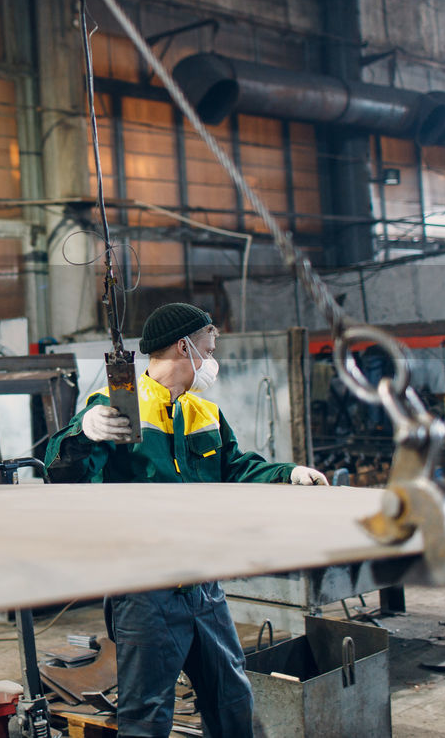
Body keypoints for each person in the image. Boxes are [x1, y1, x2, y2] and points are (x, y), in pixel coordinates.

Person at [43, 302, 328, 738]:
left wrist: (287, 473)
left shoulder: (204, 413)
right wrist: (83, 432)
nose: (213, 359)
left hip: (204, 587)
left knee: (232, 699)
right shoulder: (117, 408)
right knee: (148, 714)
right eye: (209, 347)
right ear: (184, 347)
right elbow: (64, 476)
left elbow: (236, 468)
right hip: (145, 593)